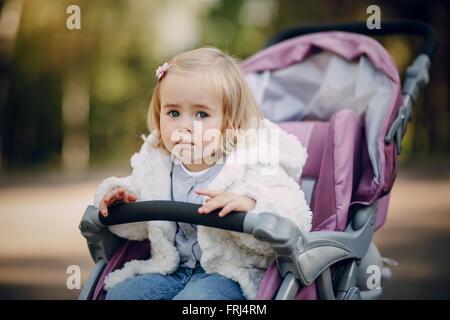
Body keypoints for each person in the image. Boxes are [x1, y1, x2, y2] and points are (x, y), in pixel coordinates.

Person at [93, 47, 312, 300]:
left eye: (201, 114)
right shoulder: (158, 163)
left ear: (229, 120)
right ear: (159, 114)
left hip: (230, 274)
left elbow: (292, 208)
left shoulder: (250, 160)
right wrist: (123, 198)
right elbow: (141, 217)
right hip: (171, 269)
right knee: (122, 295)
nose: (184, 126)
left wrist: (251, 202)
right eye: (173, 113)